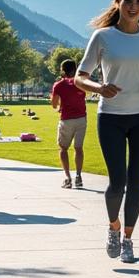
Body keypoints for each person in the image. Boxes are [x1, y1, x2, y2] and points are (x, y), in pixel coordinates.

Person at [75, 0, 139, 264]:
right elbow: (80, 77)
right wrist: (99, 88)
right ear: (117, 3)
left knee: (136, 181)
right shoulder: (103, 37)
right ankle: (113, 227)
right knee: (117, 182)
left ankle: (128, 239)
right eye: (128, 1)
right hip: (111, 117)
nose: (133, 6)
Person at [50, 58, 88, 189]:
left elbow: (54, 104)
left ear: (62, 70)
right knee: (79, 148)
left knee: (63, 149)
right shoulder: (81, 83)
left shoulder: (58, 85)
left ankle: (68, 178)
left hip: (66, 119)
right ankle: (78, 176)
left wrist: (59, 105)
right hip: (81, 119)